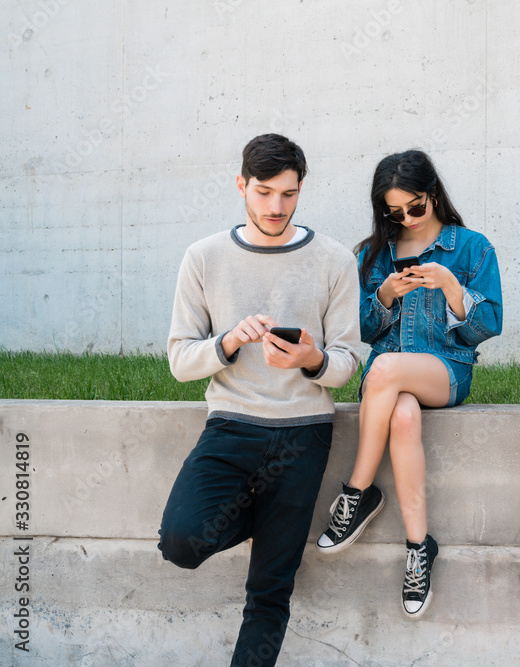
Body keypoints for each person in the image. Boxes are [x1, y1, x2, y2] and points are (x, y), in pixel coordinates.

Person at [159, 134, 362, 667]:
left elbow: (348, 363)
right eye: (265, 192)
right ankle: (263, 516)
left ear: (301, 190)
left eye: (289, 195)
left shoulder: (335, 259)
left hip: (304, 432)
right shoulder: (203, 257)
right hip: (230, 426)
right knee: (180, 542)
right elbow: (180, 361)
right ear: (241, 186)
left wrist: (311, 360)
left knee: (270, 591)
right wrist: (227, 342)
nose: (276, 207)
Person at [315, 149, 502, 620]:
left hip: (446, 370)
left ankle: (356, 494)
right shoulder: (371, 254)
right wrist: (382, 295)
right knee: (401, 413)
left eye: (415, 207)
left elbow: (490, 324)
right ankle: (420, 547)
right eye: (393, 212)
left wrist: (452, 288)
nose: (406, 219)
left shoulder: (472, 247)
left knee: (383, 370)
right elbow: (355, 330)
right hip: (388, 386)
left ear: (433, 194)